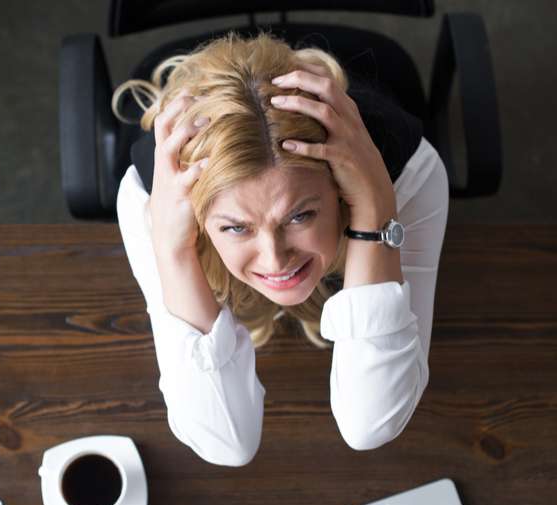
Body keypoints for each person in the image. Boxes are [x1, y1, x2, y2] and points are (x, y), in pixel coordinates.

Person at [112, 32, 449, 466]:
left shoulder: (408, 175)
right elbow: (226, 443)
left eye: (299, 216)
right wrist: (173, 251)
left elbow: (372, 422)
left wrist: (377, 209)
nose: (274, 259)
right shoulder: (151, 199)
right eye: (235, 227)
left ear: (340, 191)